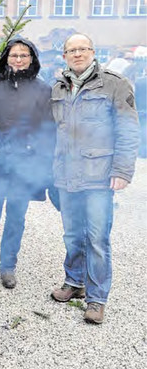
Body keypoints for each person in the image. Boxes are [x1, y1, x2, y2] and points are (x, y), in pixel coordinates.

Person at [50, 33, 140, 324]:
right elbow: (55, 132)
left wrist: (122, 170)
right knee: (72, 234)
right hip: (66, 175)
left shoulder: (114, 84)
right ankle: (74, 282)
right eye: (71, 50)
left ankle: (97, 298)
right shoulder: (59, 87)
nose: (77, 54)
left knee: (97, 238)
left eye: (82, 49)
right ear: (64, 56)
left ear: (92, 52)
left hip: (99, 176)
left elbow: (128, 130)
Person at [0, 37, 55, 289]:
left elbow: (48, 130)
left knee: (16, 219)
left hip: (24, 166)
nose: (19, 59)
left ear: (32, 59)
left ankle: (8, 267)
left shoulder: (43, 90)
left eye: (24, 55)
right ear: (6, 58)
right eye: (14, 55)